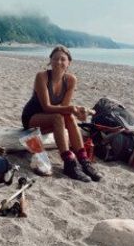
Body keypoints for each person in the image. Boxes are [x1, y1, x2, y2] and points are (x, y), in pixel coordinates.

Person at [21, 45, 101, 183]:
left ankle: (84, 161)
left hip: (51, 119)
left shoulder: (70, 80)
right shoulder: (42, 76)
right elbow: (46, 107)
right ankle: (69, 163)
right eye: (55, 59)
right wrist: (72, 108)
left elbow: (63, 107)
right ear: (50, 61)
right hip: (32, 118)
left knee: (68, 116)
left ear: (69, 62)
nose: (59, 62)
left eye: (63, 59)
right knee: (60, 117)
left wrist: (76, 112)